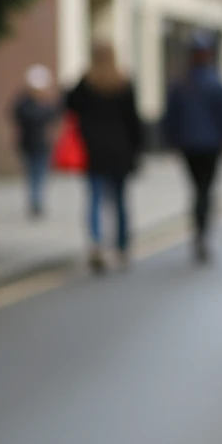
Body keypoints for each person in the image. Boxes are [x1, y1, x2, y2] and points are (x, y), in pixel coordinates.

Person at [66, 42, 142, 272]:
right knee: (119, 201)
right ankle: (121, 246)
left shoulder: (85, 84)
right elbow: (134, 123)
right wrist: (137, 152)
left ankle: (96, 245)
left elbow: (69, 106)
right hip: (120, 151)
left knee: (95, 200)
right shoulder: (124, 83)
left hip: (94, 151)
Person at [164, 34, 222, 263]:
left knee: (197, 190)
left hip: (188, 146)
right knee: (205, 190)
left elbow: (171, 118)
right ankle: (202, 234)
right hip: (211, 146)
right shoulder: (215, 82)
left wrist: (173, 142)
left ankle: (198, 232)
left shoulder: (180, 82)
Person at [11, 64, 58, 217]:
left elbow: (53, 116)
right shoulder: (25, 103)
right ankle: (35, 201)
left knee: (38, 174)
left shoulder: (43, 103)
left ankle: (36, 201)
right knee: (33, 174)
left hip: (42, 144)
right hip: (29, 143)